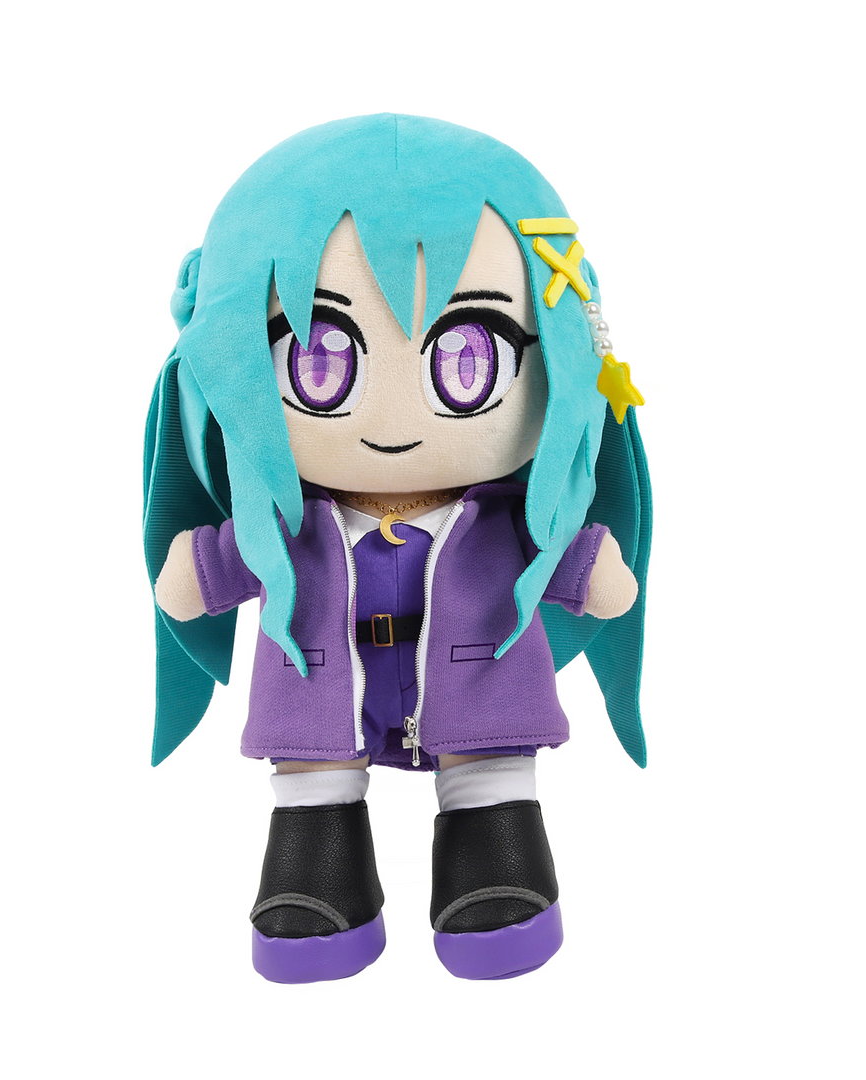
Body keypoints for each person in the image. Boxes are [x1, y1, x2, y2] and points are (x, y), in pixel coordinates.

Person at [144, 114, 651, 983]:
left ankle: (493, 861)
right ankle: (319, 875)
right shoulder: (286, 527)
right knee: (313, 793)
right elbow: (214, 568)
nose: (391, 422)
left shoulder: (506, 522)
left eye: (469, 357)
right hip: (318, 700)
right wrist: (199, 569)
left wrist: (590, 564)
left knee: (493, 789)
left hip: (481, 693)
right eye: (318, 358)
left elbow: (575, 561)